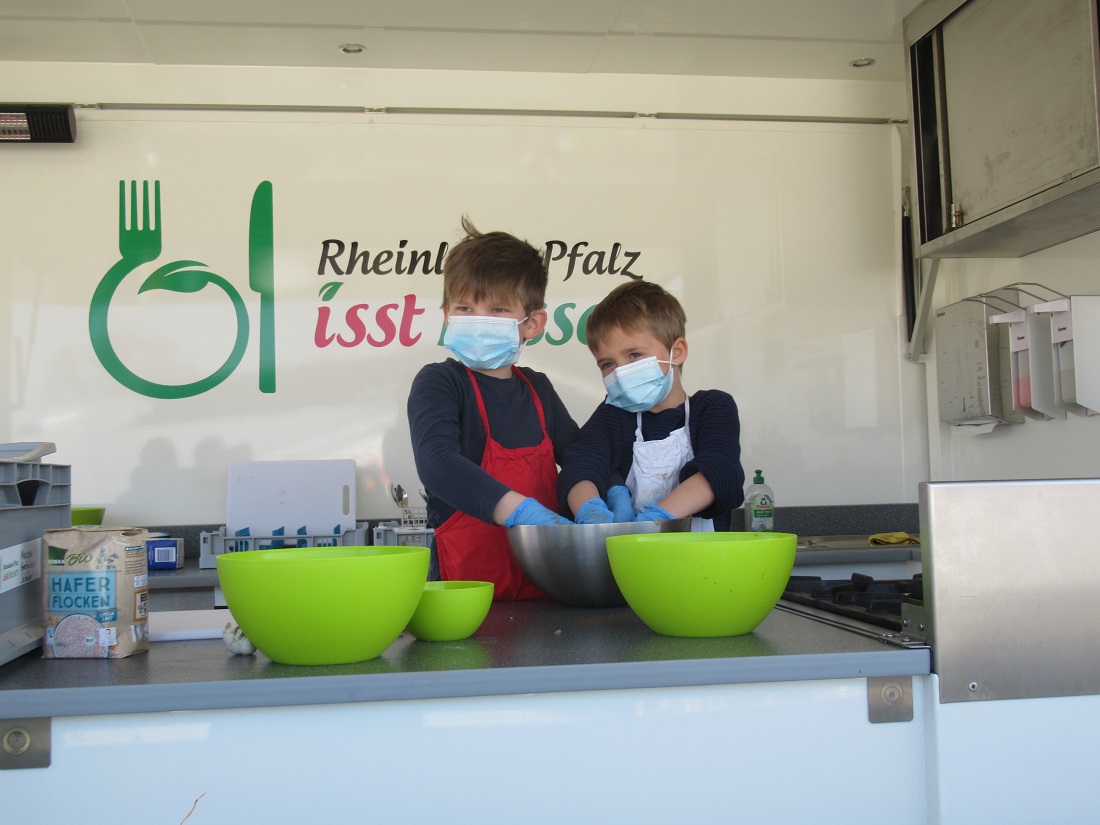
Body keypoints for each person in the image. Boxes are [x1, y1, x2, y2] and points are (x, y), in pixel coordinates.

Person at [407, 216, 579, 600]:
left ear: (532, 323)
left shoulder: (539, 389)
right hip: (467, 597)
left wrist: (598, 501)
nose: (479, 320)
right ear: (447, 314)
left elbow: (581, 456)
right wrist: (522, 513)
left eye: (498, 309)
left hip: (547, 589)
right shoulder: (440, 383)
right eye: (465, 307)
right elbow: (437, 462)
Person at [557, 280, 744, 530]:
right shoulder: (612, 415)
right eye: (607, 364)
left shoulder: (712, 407)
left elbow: (720, 471)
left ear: (676, 352)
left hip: (703, 563)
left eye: (634, 355)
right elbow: (581, 465)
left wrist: (655, 520)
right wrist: (590, 511)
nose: (621, 372)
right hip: (631, 562)